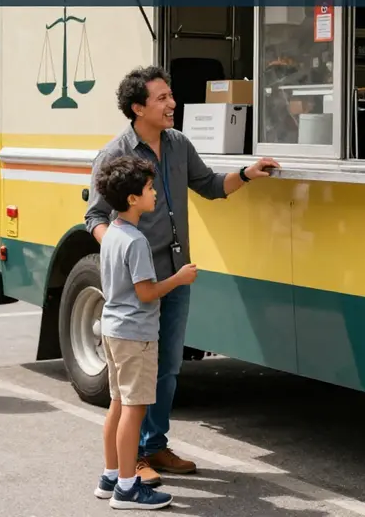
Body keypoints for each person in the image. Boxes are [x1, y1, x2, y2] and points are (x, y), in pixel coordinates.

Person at [85, 65, 279, 485]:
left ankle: (155, 445)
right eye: (162, 98)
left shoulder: (178, 144)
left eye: (171, 96)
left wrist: (246, 174)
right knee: (135, 379)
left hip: (175, 276)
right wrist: (120, 250)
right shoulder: (114, 154)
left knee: (168, 368)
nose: (173, 104)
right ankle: (130, 458)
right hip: (140, 286)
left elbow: (209, 185)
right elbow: (95, 217)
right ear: (138, 108)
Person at [93, 155, 197, 510]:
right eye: (151, 188)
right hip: (136, 334)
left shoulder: (111, 232)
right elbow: (146, 292)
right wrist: (179, 278)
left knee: (117, 405)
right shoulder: (136, 241)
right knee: (134, 411)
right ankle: (127, 487)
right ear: (133, 198)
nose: (155, 194)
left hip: (113, 328)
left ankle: (109, 476)